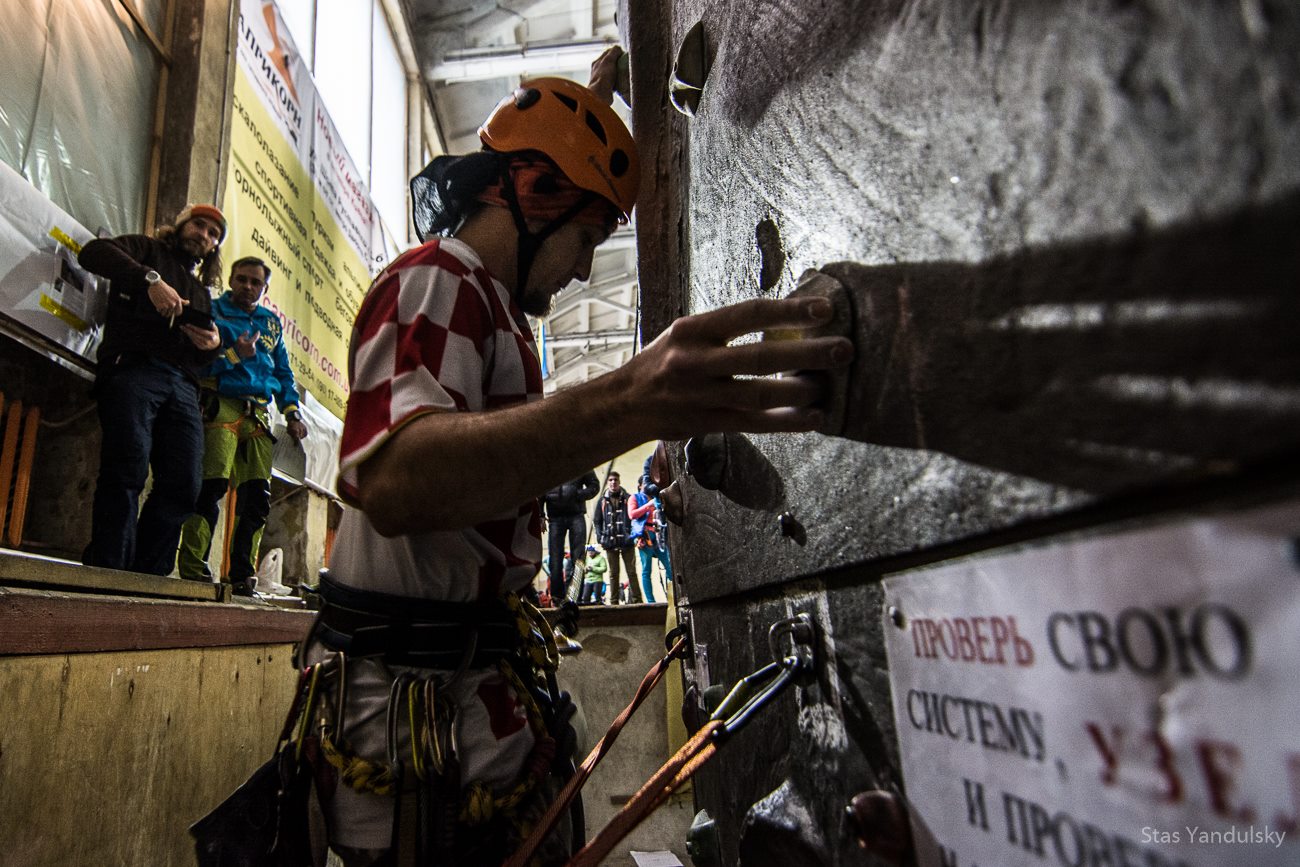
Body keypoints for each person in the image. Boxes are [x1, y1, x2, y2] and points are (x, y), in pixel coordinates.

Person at [298, 52, 849, 867]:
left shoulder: (493, 307)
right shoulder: (435, 280)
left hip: (473, 715)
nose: (588, 264)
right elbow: (395, 477)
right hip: (422, 745)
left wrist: (594, 100)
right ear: (530, 193)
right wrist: (630, 398)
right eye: (588, 233)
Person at [77, 204, 224, 575]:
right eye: (199, 225)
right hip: (135, 367)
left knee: (185, 483)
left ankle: (145, 577)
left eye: (213, 234)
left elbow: (202, 359)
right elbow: (93, 252)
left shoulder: (202, 293)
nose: (203, 235)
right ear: (181, 225)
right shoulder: (147, 250)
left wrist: (212, 345)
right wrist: (151, 281)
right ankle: (108, 570)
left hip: (183, 387)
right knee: (126, 467)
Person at [176, 256, 308, 595]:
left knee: (256, 501)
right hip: (220, 406)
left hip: (260, 416)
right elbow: (198, 363)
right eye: (242, 279)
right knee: (211, 489)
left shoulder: (271, 324)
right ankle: (193, 570)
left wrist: (292, 413)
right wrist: (234, 355)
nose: (248, 287)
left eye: (255, 282)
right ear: (231, 280)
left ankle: (241, 575)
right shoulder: (214, 312)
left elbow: (283, 373)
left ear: (265, 288)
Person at [541, 470, 599, 604]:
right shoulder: (547, 464)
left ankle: (575, 596)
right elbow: (540, 490)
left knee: (578, 558)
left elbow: (594, 485)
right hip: (555, 518)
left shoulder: (580, 460)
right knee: (554, 558)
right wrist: (541, 515)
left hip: (576, 515)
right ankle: (557, 597)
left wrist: (578, 494)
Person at [591, 471, 641, 604]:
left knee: (632, 572)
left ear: (619, 482)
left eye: (616, 480)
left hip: (627, 541)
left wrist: (633, 535)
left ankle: (638, 600)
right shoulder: (602, 501)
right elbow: (597, 521)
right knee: (613, 574)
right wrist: (600, 537)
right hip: (609, 541)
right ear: (608, 482)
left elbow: (635, 518)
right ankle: (613, 602)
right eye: (611, 480)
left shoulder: (628, 498)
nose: (613, 482)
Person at [628, 475, 672, 603]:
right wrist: (648, 506)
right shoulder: (634, 498)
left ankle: (673, 596)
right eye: (645, 484)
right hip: (645, 534)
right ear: (640, 486)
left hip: (659, 534)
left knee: (669, 566)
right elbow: (632, 514)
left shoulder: (656, 497)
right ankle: (650, 601)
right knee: (646, 569)